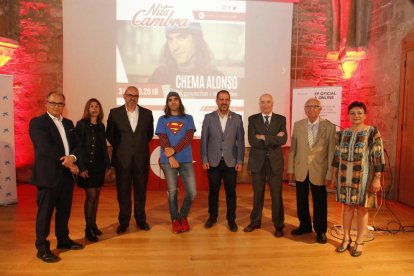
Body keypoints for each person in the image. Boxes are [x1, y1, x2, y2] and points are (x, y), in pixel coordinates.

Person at [29, 91, 83, 263]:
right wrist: (69, 163)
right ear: (46, 103)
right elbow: (46, 148)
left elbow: (77, 145)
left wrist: (72, 157)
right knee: (45, 214)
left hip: (66, 177)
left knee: (64, 211)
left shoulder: (68, 123)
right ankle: (42, 248)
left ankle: (63, 239)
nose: (56, 106)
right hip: (48, 175)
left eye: (60, 104)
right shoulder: (37, 123)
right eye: (53, 103)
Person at [332, 101, 385, 257]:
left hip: (364, 178)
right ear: (348, 115)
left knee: (362, 209)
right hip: (344, 177)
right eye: (353, 113)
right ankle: (346, 238)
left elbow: (378, 156)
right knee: (346, 208)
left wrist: (377, 178)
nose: (356, 116)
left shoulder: (372, 132)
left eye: (359, 113)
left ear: (365, 115)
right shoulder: (341, 134)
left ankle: (359, 241)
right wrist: (334, 177)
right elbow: (336, 157)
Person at [106, 86, 154, 234]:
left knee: (141, 191)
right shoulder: (115, 113)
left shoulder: (147, 114)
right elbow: (110, 135)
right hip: (122, 159)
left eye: (136, 96)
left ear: (138, 97)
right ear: (124, 96)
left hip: (141, 159)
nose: (133, 98)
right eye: (130, 95)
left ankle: (141, 220)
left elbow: (149, 135)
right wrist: (122, 147)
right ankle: (124, 222)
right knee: (123, 192)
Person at [287, 98, 336, 244]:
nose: (311, 109)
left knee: (320, 201)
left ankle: (321, 230)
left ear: (320, 109)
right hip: (301, 169)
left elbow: (331, 152)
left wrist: (330, 174)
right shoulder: (298, 125)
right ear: (304, 109)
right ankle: (305, 226)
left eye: (314, 107)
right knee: (301, 200)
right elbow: (293, 149)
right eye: (307, 107)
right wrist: (291, 169)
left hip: (319, 170)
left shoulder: (329, 127)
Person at [200, 90, 245, 232]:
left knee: (231, 192)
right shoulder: (208, 118)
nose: (224, 102)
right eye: (221, 99)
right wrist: (204, 159)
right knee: (213, 191)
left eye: (226, 99)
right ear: (217, 101)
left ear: (230, 101)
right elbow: (204, 141)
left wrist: (240, 161)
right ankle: (212, 217)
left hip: (231, 162)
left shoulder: (237, 118)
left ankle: (231, 220)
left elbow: (241, 142)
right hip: (213, 161)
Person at [244, 93, 287, 237]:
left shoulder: (281, 119)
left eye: (268, 102)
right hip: (258, 162)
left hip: (275, 163)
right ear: (259, 103)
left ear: (272, 103)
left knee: (276, 196)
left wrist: (263, 137)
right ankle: (255, 222)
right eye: (262, 102)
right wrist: (273, 138)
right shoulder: (253, 119)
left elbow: (283, 140)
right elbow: (252, 141)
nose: (265, 105)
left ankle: (279, 225)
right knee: (258, 195)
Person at [155, 91, 197, 234]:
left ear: (180, 102)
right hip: (168, 161)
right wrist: (171, 156)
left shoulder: (188, 118)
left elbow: (188, 138)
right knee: (172, 192)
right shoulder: (162, 119)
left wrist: (174, 150)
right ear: (167, 103)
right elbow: (163, 139)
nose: (173, 102)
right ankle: (175, 219)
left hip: (185, 159)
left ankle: (183, 216)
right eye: (170, 100)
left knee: (192, 192)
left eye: (175, 99)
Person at [75, 98, 111, 242]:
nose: (94, 108)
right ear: (87, 109)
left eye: (97, 106)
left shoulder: (101, 126)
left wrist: (107, 165)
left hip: (99, 166)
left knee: (96, 195)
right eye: (91, 106)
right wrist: (81, 167)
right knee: (91, 196)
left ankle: (93, 224)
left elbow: (103, 147)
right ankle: (88, 229)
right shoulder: (81, 124)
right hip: (86, 166)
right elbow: (78, 147)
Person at [148, 22, 222, 88]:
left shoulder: (215, 78)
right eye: (170, 39)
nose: (174, 47)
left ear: (197, 41)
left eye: (181, 38)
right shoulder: (160, 75)